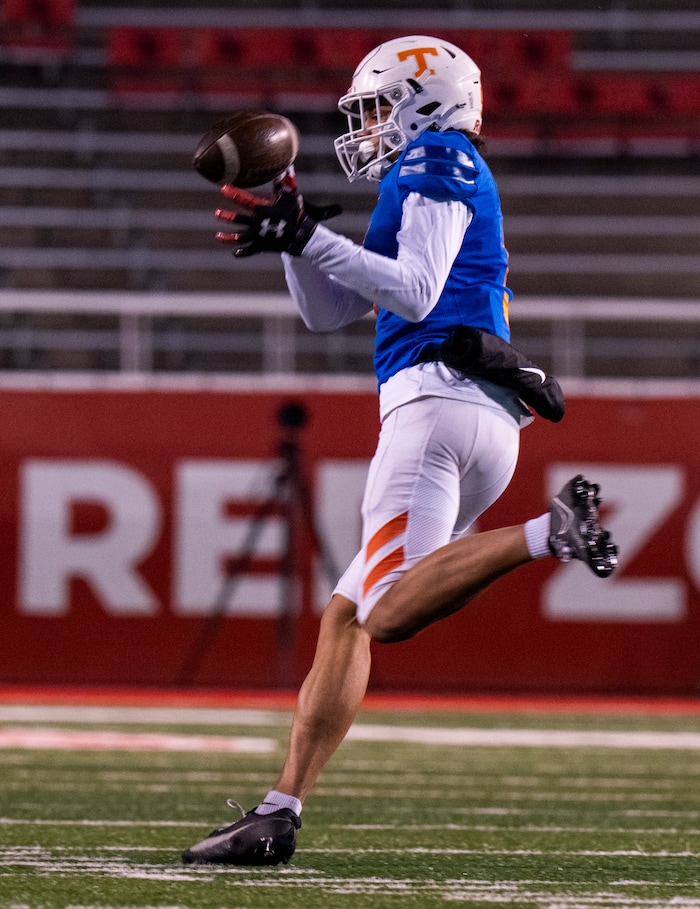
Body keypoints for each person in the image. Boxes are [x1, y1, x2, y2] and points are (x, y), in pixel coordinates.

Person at [182, 34, 618, 867]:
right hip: (465, 411)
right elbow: (328, 310)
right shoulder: (424, 175)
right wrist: (288, 214)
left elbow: (414, 292)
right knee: (348, 618)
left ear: (427, 100)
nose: (370, 125)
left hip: (436, 404)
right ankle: (279, 809)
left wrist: (305, 233)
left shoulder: (440, 157)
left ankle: (549, 532)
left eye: (380, 105)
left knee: (384, 610)